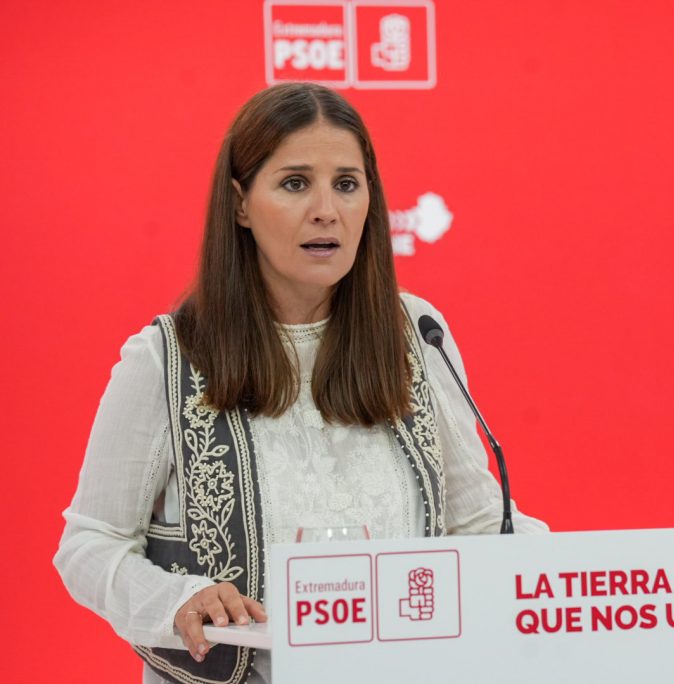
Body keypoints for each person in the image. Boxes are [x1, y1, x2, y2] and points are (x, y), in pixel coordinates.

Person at [54, 82, 547, 684]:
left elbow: (477, 524)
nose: (326, 210)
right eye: (294, 183)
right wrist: (178, 601)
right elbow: (90, 544)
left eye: (347, 184)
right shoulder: (167, 357)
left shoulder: (415, 334)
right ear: (240, 204)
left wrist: (566, 577)